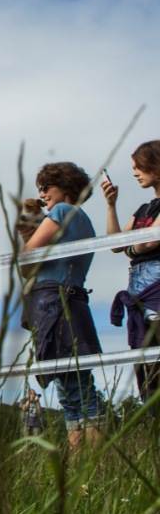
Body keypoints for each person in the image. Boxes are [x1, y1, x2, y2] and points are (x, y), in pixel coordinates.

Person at [24, 161, 104, 448]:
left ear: (66, 187)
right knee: (73, 386)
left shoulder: (62, 212)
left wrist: (28, 232)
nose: (42, 193)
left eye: (46, 187)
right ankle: (83, 464)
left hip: (54, 300)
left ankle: (93, 462)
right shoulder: (85, 221)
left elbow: (28, 257)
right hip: (72, 298)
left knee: (75, 389)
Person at [103, 141, 160, 406]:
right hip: (139, 294)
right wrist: (111, 206)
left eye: (139, 166)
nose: (135, 173)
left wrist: (132, 248)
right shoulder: (143, 210)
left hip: (156, 291)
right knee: (146, 370)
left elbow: (149, 243)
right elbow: (115, 245)